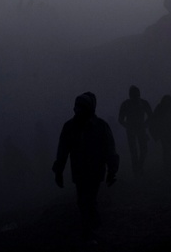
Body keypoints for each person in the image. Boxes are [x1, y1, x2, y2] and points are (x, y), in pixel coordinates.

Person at [52, 92, 119, 242]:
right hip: (80, 171)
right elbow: (63, 150)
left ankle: (88, 229)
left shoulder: (100, 126)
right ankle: (90, 228)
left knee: (87, 200)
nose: (77, 110)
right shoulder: (71, 127)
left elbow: (109, 149)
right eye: (77, 107)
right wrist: (58, 171)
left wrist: (112, 170)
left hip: (94, 170)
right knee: (84, 200)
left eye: (81, 107)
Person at [118, 85, 152, 178]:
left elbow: (120, 119)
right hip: (135, 129)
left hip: (136, 129)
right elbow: (120, 119)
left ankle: (137, 169)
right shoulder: (140, 103)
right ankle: (137, 170)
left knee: (139, 150)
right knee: (137, 151)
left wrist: (144, 124)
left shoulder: (127, 104)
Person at [149, 94, 171, 173]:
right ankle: (170, 167)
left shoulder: (161, 107)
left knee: (170, 150)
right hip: (167, 133)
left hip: (169, 132)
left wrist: (155, 134)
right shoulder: (169, 107)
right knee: (169, 150)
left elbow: (153, 121)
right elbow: (153, 121)